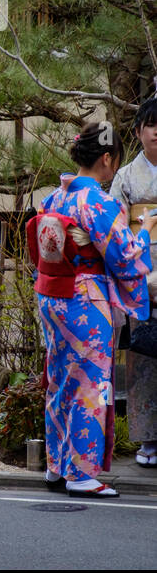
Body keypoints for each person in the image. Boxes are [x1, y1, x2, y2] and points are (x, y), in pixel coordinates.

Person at [32, 122, 154, 497]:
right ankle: (81, 473)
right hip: (84, 301)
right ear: (107, 159)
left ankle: (57, 464)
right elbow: (124, 255)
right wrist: (145, 231)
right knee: (90, 383)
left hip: (52, 295)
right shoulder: (96, 202)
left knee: (60, 379)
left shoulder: (56, 198)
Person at [110, 98, 157, 469]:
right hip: (141, 279)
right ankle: (148, 440)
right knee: (143, 359)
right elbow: (114, 233)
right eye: (151, 125)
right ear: (139, 130)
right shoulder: (125, 177)